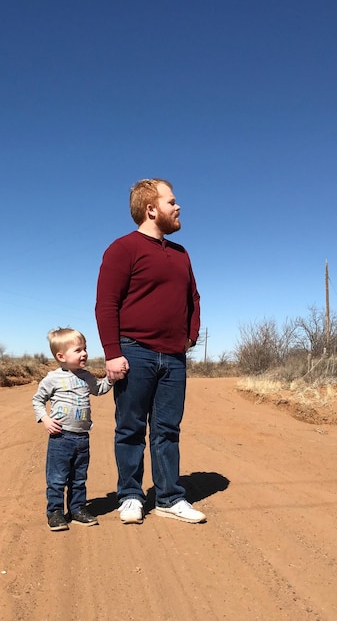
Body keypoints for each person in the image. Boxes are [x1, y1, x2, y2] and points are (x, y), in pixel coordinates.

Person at [95, 178, 206, 525]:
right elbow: (106, 304)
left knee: (167, 429)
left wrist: (191, 335)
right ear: (151, 209)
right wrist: (112, 353)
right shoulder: (122, 248)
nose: (178, 206)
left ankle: (169, 497)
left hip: (174, 356)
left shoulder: (181, 253)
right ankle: (130, 495)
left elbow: (193, 298)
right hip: (134, 351)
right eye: (171, 201)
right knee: (129, 428)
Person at [32, 327, 113, 531]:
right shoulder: (52, 378)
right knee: (57, 478)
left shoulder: (87, 376)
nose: (84, 353)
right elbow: (38, 400)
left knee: (79, 477)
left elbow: (99, 389)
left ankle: (77, 509)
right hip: (61, 436)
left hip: (82, 437)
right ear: (61, 356)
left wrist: (111, 380)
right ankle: (55, 512)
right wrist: (45, 419)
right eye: (78, 350)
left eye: (85, 349)